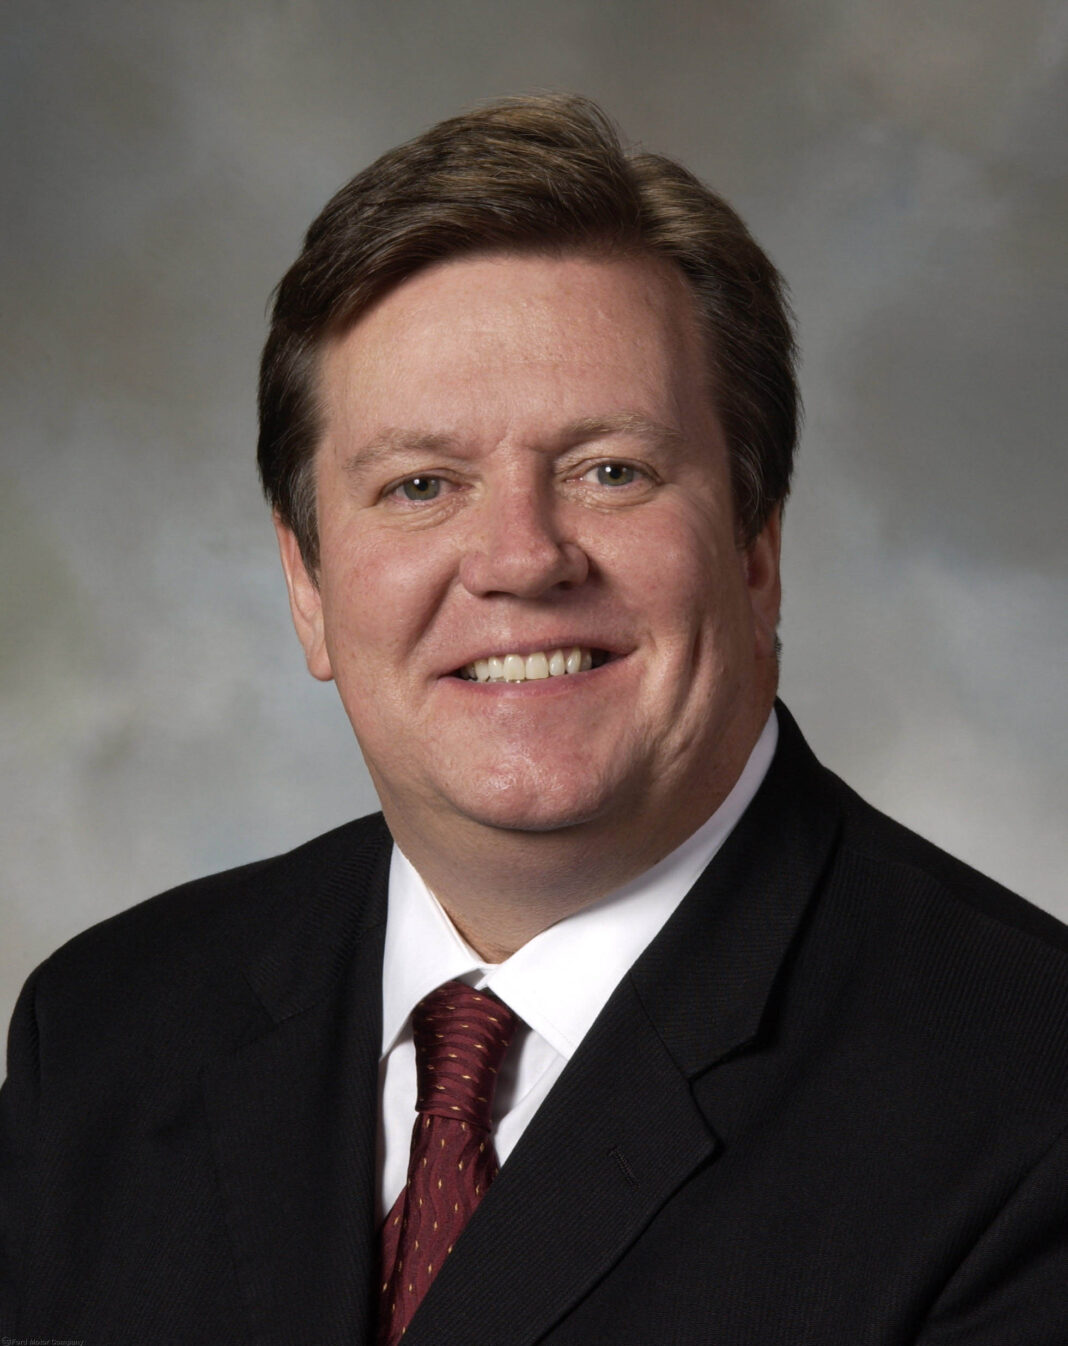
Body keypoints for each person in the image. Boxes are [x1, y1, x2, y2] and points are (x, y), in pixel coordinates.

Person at [2, 94, 1066, 1346]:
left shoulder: (1027, 1097)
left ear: (756, 549)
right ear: (308, 587)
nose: (519, 558)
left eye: (610, 470)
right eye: (421, 484)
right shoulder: (106, 1032)